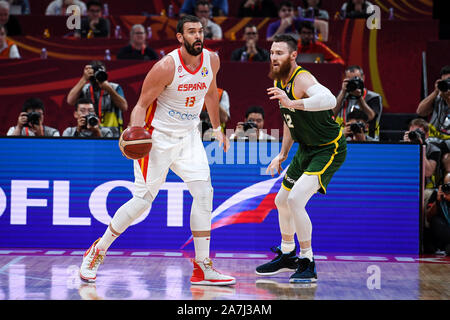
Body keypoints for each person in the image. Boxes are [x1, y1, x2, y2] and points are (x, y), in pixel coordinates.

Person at [79, 15, 235, 286]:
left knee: (204, 192)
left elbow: (211, 95)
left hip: (189, 136)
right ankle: (98, 250)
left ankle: (202, 267)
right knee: (142, 201)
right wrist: (135, 134)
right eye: (191, 32)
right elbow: (140, 105)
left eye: (200, 31)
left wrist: (218, 129)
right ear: (180, 37)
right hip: (158, 138)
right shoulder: (165, 67)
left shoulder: (213, 60)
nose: (198, 36)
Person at [256, 34, 346, 283]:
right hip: (306, 148)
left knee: (295, 200)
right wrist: (282, 154)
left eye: (280, 53)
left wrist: (293, 102)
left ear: (293, 55)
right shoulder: (279, 79)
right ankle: (287, 254)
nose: (274, 57)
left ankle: (308, 260)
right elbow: (289, 121)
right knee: (281, 200)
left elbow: (328, 100)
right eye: (272, 52)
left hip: (329, 147)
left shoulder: (302, 77)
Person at [67, 60, 128, 137]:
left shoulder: (114, 88)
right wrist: (84, 79)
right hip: (89, 131)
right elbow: (70, 101)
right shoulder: (84, 89)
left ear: (106, 74)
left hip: (112, 134)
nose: (96, 77)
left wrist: (109, 89)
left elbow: (124, 107)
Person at [417, 65, 450, 176]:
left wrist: (447, 98)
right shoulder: (438, 97)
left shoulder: (445, 97)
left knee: (447, 158)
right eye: (444, 81)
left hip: (448, 141)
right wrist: (436, 92)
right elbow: (420, 112)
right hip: (434, 140)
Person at [333, 65, 382, 139]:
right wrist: (343, 92)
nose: (354, 83)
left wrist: (359, 97)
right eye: (350, 80)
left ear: (363, 78)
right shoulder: (341, 96)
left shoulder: (373, 97)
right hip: (344, 140)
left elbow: (371, 116)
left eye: (356, 79)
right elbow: (331, 114)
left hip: (369, 141)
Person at [402, 118, 441, 190]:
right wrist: (406, 147)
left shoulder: (434, 149)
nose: (415, 136)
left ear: (427, 135)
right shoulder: (401, 147)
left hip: (425, 189)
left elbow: (428, 172)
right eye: (412, 133)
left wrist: (420, 147)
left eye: (419, 133)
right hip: (405, 185)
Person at [424, 174, 450, 256]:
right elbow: (428, 218)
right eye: (447, 185)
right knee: (436, 221)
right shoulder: (437, 194)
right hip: (445, 230)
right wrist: (438, 201)